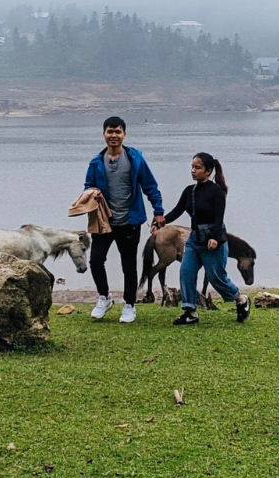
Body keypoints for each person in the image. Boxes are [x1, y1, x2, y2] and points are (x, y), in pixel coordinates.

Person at [83, 116, 165, 323]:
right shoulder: (95, 162)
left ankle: (129, 304)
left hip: (130, 221)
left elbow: (150, 186)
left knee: (128, 266)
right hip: (104, 222)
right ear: (104, 134)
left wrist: (159, 211)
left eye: (117, 132)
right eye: (110, 132)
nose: (113, 135)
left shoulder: (135, 159)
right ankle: (104, 297)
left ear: (124, 134)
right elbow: (88, 186)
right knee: (95, 260)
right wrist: (89, 197)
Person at [161, 152, 250, 326]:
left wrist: (215, 238)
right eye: (192, 167)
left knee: (217, 279)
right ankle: (190, 312)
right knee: (186, 272)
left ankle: (241, 299)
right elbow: (177, 210)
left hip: (213, 243)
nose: (193, 170)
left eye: (197, 167)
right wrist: (161, 221)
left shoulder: (216, 192)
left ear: (208, 171)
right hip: (194, 241)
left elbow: (219, 218)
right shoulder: (189, 191)